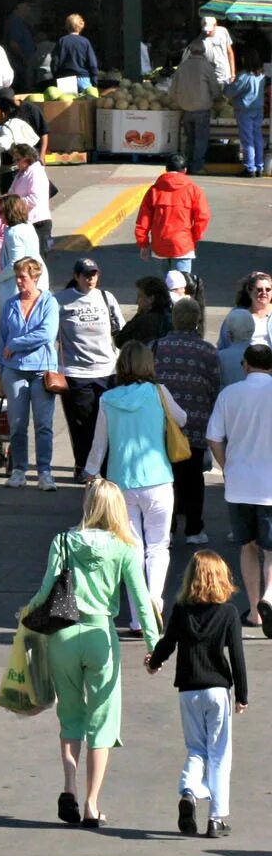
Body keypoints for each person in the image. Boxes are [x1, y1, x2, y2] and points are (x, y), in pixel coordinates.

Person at [19, 480, 159, 830]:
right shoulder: (125, 548)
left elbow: (47, 588)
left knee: (71, 716)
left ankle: (69, 786)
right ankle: (92, 804)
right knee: (103, 720)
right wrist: (153, 647)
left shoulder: (64, 541)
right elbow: (141, 601)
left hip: (64, 634)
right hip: (100, 636)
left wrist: (27, 614)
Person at [85, 341, 187, 637]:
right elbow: (181, 419)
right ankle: (155, 602)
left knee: (132, 550)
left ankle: (137, 619)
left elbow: (99, 443)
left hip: (120, 484)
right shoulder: (159, 393)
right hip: (158, 480)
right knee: (159, 547)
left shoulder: (108, 399)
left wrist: (91, 473)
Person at [146, 550, 248, 840]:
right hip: (217, 690)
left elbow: (168, 643)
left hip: (188, 690)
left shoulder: (181, 610)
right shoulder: (228, 612)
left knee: (196, 748)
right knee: (219, 754)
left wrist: (154, 662)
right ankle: (216, 818)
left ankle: (189, 791)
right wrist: (242, 695)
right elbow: (237, 656)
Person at [207, 345, 272, 632]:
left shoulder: (229, 394)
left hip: (239, 485)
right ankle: (270, 597)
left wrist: (226, 467)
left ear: (245, 365)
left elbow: (214, 437)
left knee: (248, 547)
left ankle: (256, 611)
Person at [155, 299, 222, 546]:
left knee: (166, 478)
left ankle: (167, 528)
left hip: (162, 426)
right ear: (196, 321)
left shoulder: (157, 347)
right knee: (194, 478)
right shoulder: (208, 351)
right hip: (195, 425)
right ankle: (194, 529)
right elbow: (215, 386)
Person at [57, 258, 126, 477]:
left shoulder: (106, 298)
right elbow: (50, 335)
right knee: (83, 426)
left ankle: (106, 469)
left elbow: (121, 331)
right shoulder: (60, 301)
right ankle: (84, 467)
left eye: (94, 274)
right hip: (77, 373)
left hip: (108, 372)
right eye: (86, 275)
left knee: (108, 424)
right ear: (76, 276)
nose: (91, 279)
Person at [0, 258, 60, 489]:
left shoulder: (49, 302)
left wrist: (15, 345)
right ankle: (19, 469)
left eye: (23, 277)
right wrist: (2, 373)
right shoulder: (10, 304)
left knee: (43, 424)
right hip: (14, 371)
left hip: (41, 370)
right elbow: (2, 338)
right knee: (17, 424)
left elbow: (46, 334)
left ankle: (44, 471)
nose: (19, 282)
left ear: (35, 277)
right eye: (17, 277)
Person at [134, 155, 210, 275]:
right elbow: (203, 217)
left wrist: (143, 244)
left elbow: (143, 219)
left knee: (164, 288)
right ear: (185, 170)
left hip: (160, 245)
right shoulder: (194, 190)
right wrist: (193, 238)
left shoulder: (154, 190)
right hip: (183, 244)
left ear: (166, 169)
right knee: (181, 287)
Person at [171, 40, 223, 170]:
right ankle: (197, 166)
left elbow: (172, 90)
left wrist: (179, 102)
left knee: (190, 139)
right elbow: (215, 90)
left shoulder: (182, 66)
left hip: (186, 110)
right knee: (200, 140)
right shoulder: (206, 67)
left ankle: (186, 165)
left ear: (190, 51)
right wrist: (216, 98)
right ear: (204, 51)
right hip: (202, 109)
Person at [0, 193, 42, 316]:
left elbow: (15, 265)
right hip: (35, 280)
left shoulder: (13, 233)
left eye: (1, 212)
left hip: (16, 288)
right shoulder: (28, 226)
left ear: (9, 212)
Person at [226, 56, 266, 177]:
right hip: (258, 109)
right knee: (257, 137)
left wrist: (226, 85)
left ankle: (250, 167)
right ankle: (259, 166)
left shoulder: (244, 75)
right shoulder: (261, 75)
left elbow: (230, 92)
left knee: (247, 139)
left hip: (245, 110)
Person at [8, 142, 53, 248]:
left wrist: (13, 202)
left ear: (27, 158)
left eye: (18, 160)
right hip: (24, 221)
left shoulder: (36, 173)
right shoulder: (21, 174)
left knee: (38, 259)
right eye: (14, 160)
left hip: (37, 222)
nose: (16, 163)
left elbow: (34, 199)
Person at [115, 274, 175, 350]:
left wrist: (138, 315)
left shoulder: (144, 321)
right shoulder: (172, 317)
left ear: (151, 299)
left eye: (140, 296)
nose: (137, 301)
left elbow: (120, 340)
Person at [219, 271, 272, 349]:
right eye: (259, 289)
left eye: (268, 289)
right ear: (249, 291)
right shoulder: (237, 315)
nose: (264, 293)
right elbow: (224, 343)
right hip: (244, 359)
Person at [52, 12, 100, 92]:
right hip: (83, 78)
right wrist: (94, 81)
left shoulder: (62, 41)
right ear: (81, 26)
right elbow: (93, 64)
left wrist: (56, 77)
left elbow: (55, 62)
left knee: (66, 102)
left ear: (66, 26)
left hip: (65, 79)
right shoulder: (85, 42)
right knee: (86, 103)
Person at [201, 14, 237, 84]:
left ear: (215, 25)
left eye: (209, 30)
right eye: (205, 30)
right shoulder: (201, 39)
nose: (207, 32)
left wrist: (233, 73)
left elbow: (230, 52)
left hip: (226, 76)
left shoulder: (223, 31)